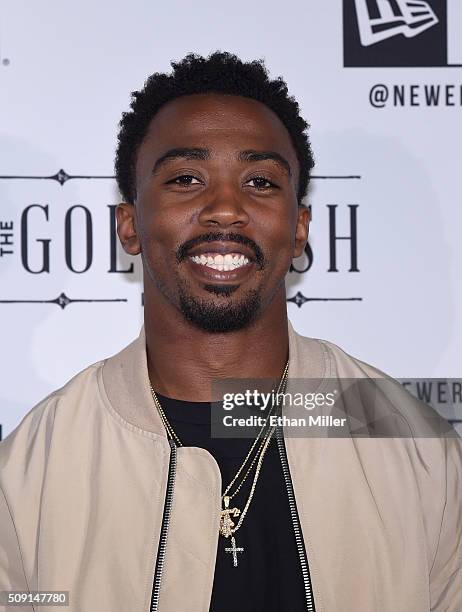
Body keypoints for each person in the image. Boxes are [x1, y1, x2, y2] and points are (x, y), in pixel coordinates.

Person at [0, 51, 461, 612]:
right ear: (130, 226)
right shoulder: (34, 465)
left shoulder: (413, 445)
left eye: (260, 181)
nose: (224, 208)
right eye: (186, 178)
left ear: (299, 229)